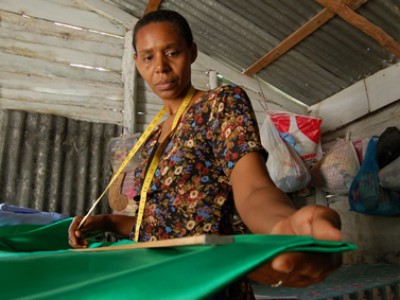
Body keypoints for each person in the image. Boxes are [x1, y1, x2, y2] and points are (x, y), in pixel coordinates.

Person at [68, 9, 342, 299]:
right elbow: (159, 223)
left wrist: (282, 225)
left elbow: (253, 187)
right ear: (137, 62)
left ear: (192, 52)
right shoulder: (150, 140)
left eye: (172, 52)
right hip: (157, 283)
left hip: (208, 283)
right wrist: (109, 223)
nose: (160, 67)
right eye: (148, 57)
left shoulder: (221, 104)